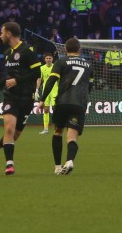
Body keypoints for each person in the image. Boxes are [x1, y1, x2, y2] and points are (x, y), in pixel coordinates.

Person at [0, 21, 41, 175]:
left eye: (2, 32)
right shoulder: (7, 53)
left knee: (14, 135)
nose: (1, 35)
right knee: (9, 129)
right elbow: (8, 77)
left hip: (27, 99)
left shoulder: (28, 51)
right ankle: (9, 164)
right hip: (11, 97)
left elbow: (37, 74)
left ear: (9, 33)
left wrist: (18, 81)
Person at [37, 37, 93, 175]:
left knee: (57, 132)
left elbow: (51, 80)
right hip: (79, 103)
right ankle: (69, 161)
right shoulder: (89, 65)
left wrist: (42, 99)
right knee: (72, 137)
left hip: (62, 102)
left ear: (65, 49)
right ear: (79, 49)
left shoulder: (61, 62)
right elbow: (90, 86)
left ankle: (57, 166)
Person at [36, 52, 59, 134]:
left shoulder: (56, 67)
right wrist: (36, 90)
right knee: (46, 110)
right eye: (47, 58)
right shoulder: (42, 68)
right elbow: (39, 79)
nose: (48, 59)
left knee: (55, 109)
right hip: (46, 91)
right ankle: (46, 129)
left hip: (55, 91)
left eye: (50, 58)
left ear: (52, 59)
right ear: (44, 59)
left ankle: (57, 128)